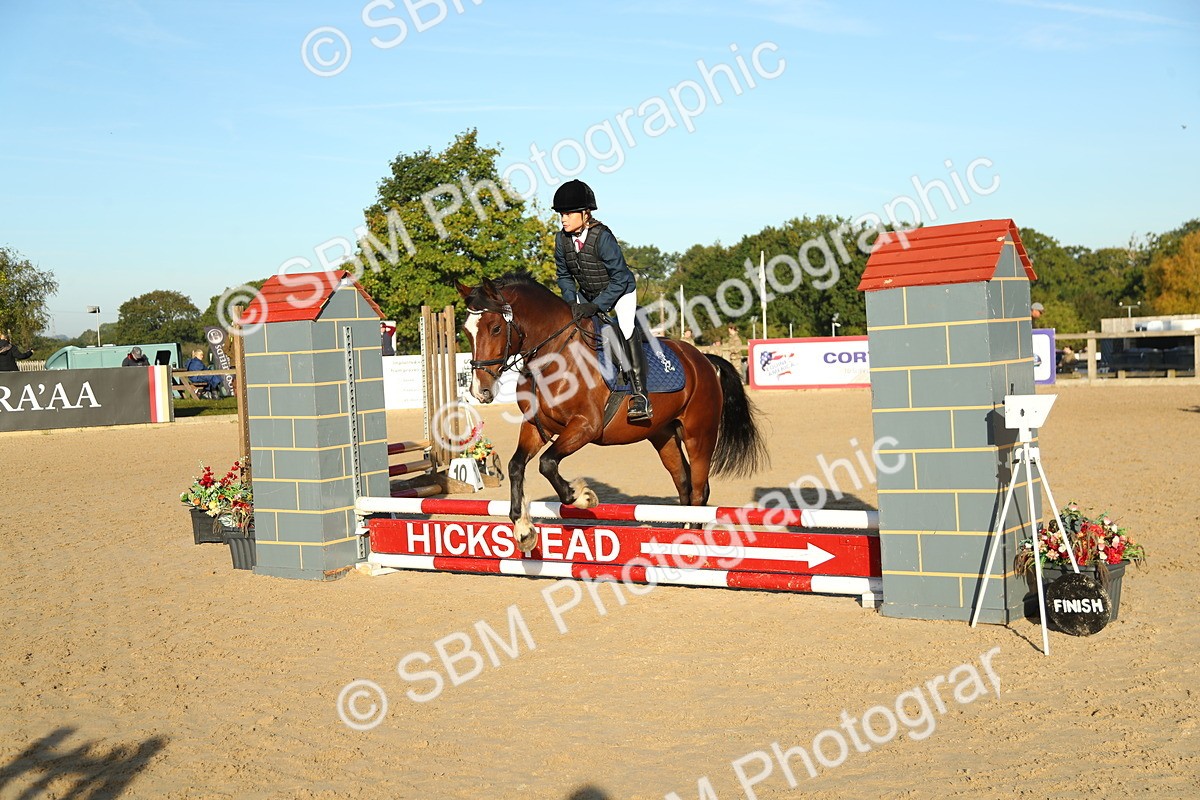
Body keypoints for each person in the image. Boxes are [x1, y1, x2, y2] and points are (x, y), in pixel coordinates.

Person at [553, 179, 650, 420]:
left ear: (585, 214)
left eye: (567, 213)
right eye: (561, 214)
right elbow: (564, 275)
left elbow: (619, 278)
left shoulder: (602, 238)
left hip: (620, 291)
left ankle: (641, 396)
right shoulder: (561, 240)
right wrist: (572, 301)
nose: (563, 218)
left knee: (625, 327)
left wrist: (596, 305)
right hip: (588, 293)